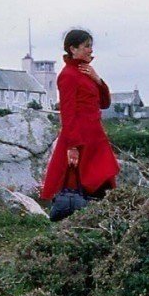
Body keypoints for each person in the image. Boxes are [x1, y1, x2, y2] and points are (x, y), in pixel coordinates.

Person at [39, 29, 120, 214]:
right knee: (81, 182)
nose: (91, 50)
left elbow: (105, 103)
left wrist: (97, 79)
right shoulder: (68, 75)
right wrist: (73, 146)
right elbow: (67, 113)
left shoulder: (86, 72)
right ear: (73, 49)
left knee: (101, 178)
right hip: (81, 137)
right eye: (86, 46)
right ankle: (84, 219)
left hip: (95, 136)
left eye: (91, 46)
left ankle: (99, 218)